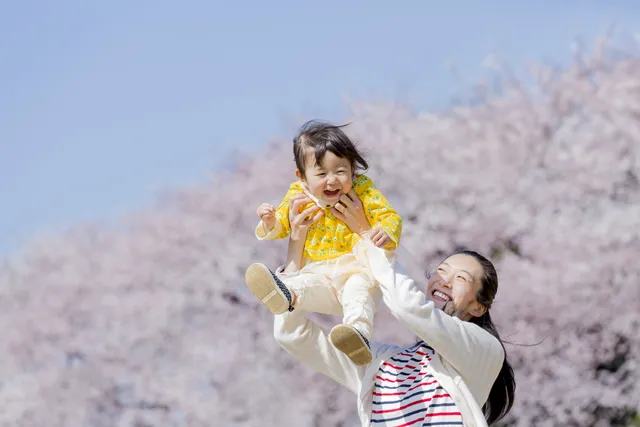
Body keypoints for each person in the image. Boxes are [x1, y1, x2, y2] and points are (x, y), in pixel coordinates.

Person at [266, 192, 516, 427]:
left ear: (479, 307)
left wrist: (367, 236)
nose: (444, 280)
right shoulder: (381, 363)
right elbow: (293, 335)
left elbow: (407, 307)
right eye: (441, 271)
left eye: (461, 278)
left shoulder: (483, 350)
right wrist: (294, 260)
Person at [245, 120, 402, 365]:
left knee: (357, 294)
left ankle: (356, 335)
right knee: (303, 285)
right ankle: (282, 294)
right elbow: (283, 226)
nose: (332, 180)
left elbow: (388, 215)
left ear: (352, 169)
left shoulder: (362, 189)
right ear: (302, 177)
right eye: (321, 173)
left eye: (341, 171)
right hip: (319, 272)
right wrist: (269, 221)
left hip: (356, 269)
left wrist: (386, 232)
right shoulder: (297, 195)